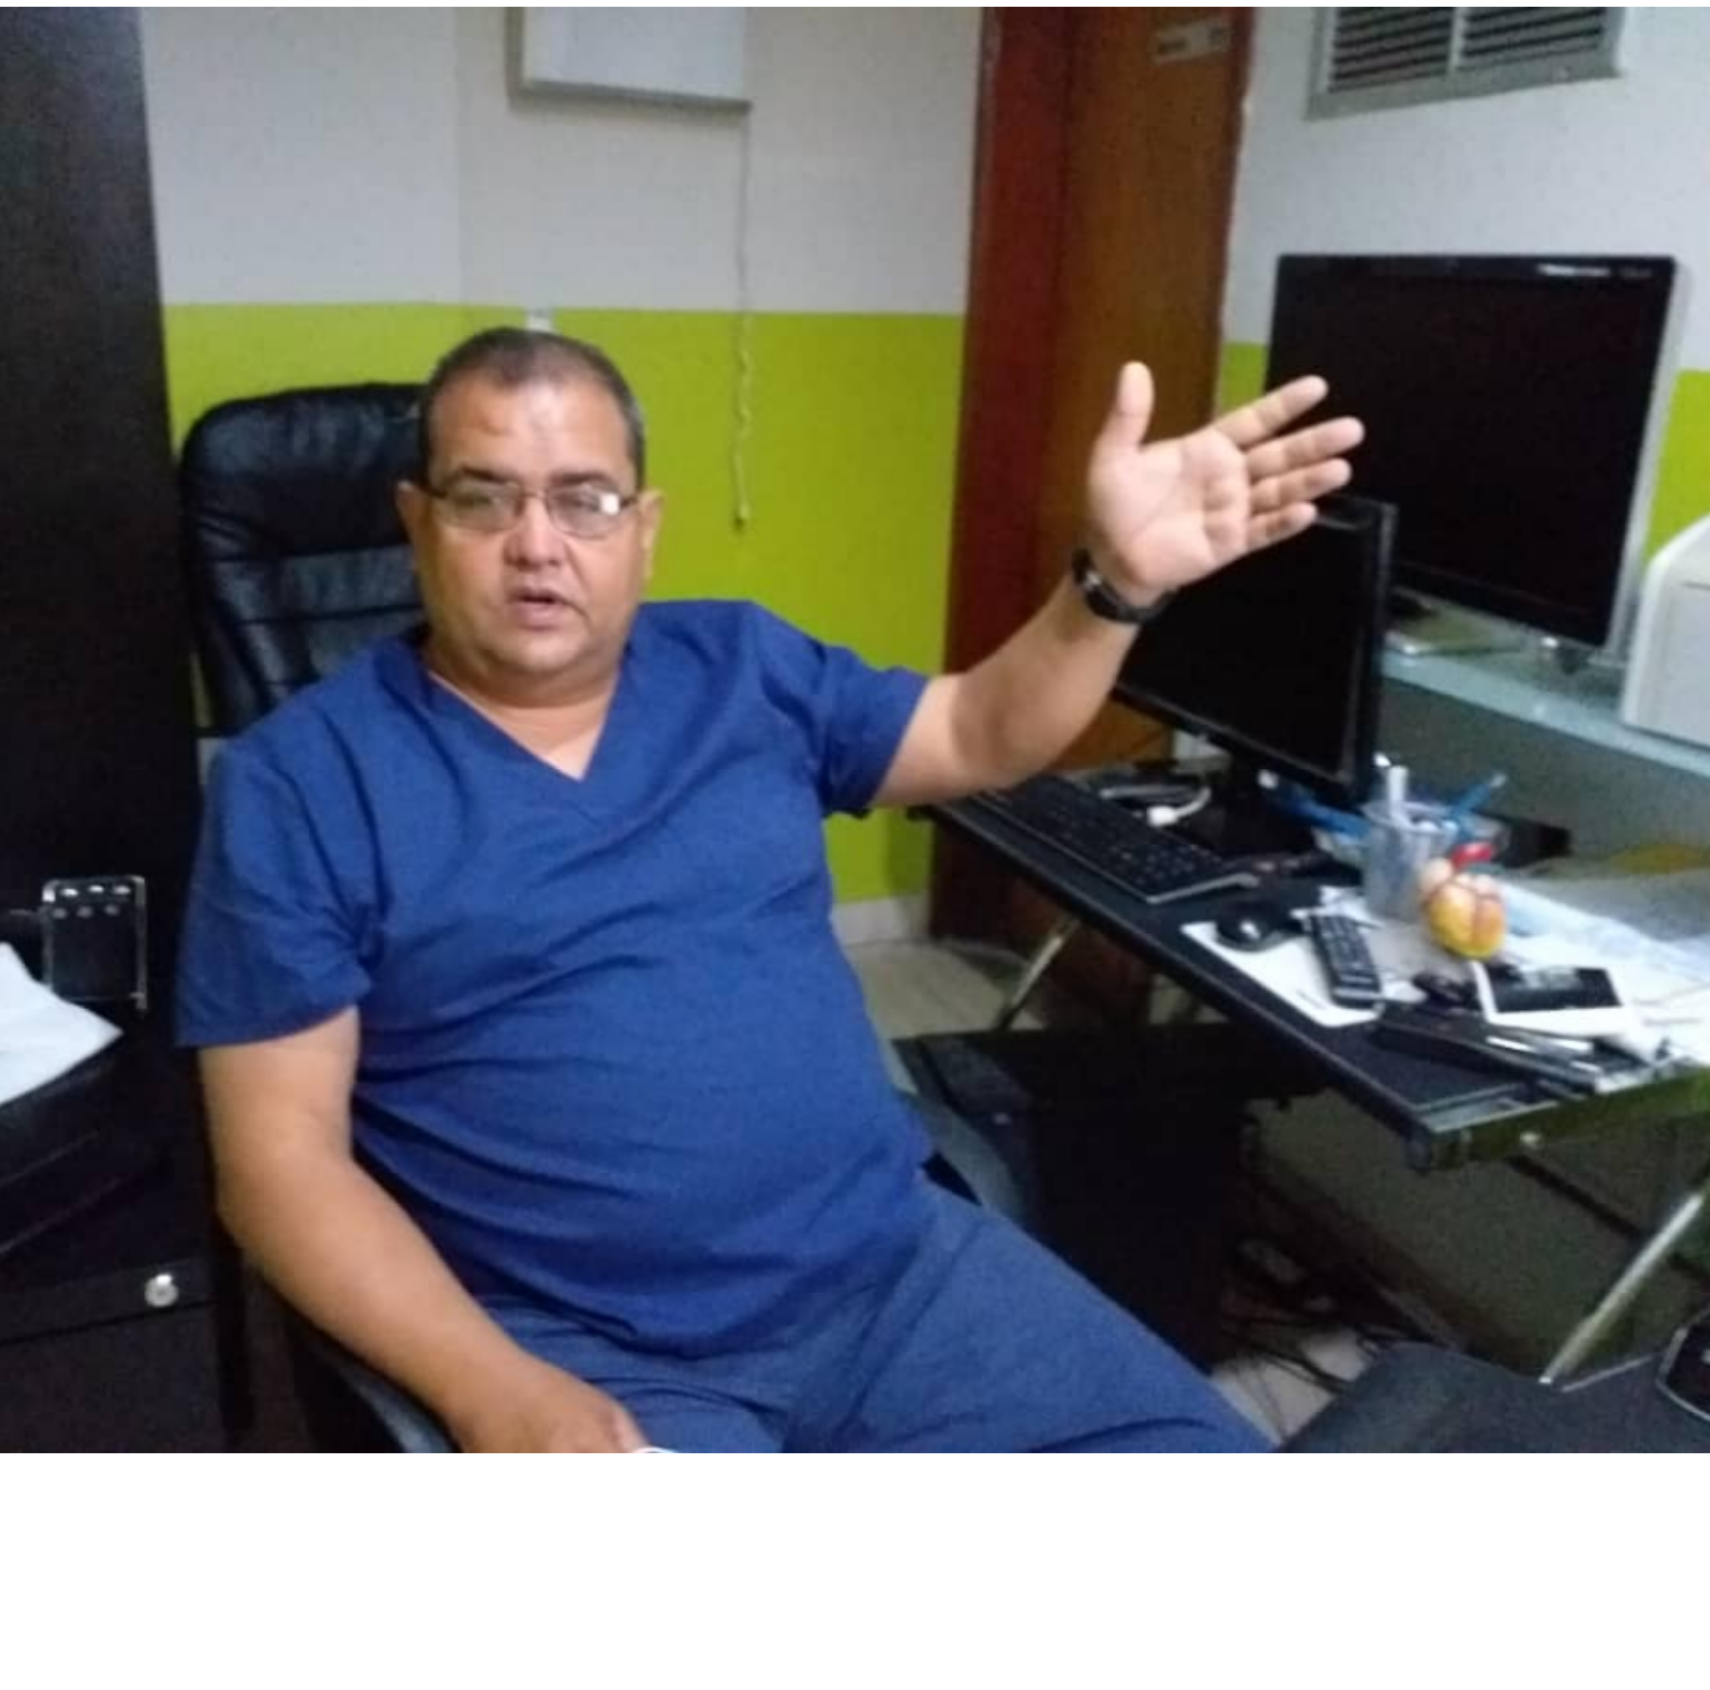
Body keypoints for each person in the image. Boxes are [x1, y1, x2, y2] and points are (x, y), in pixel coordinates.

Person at [177, 327, 1361, 1452]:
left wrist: (1110, 587)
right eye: (485, 498)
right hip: (591, 1349)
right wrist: (491, 1388)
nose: (537, 543)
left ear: (644, 529)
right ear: (416, 521)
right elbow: (280, 1160)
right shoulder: (301, 783)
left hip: (896, 1275)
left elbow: (977, 730)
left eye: (586, 500)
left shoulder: (743, 666)